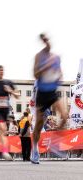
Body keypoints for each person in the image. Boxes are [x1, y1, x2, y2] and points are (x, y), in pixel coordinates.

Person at [32, 33, 68, 164]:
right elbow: (35, 74)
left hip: (53, 92)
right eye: (44, 40)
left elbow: (60, 73)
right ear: (42, 42)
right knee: (39, 125)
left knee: (64, 116)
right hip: (41, 93)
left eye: (48, 39)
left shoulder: (56, 57)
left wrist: (59, 76)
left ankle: (55, 142)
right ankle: (35, 149)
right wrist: (45, 67)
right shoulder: (39, 56)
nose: (47, 42)